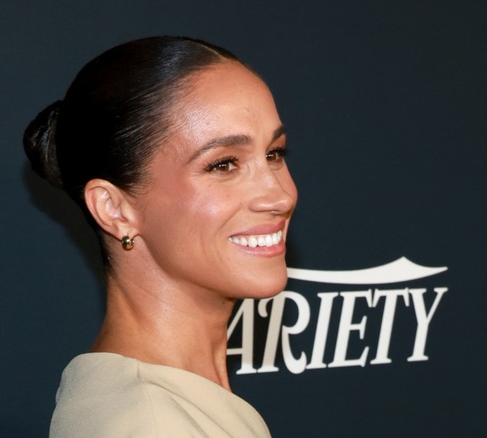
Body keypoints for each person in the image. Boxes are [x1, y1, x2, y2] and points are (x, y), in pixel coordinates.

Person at [23, 36, 297, 437]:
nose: (278, 195)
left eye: (274, 154)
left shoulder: (166, 400)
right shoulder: (148, 424)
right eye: (223, 164)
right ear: (115, 209)